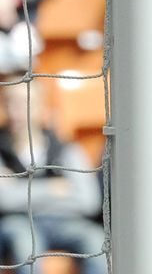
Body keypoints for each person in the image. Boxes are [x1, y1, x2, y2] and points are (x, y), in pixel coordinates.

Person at [0, 80, 105, 274]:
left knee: (96, 241)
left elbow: (88, 201)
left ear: (41, 108)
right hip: (18, 223)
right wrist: (54, 189)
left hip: (62, 222)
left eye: (23, 103)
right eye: (8, 103)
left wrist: (20, 191)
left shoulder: (65, 149)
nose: (15, 111)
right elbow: (4, 200)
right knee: (25, 247)